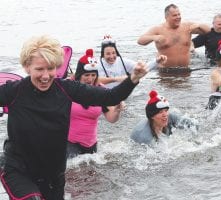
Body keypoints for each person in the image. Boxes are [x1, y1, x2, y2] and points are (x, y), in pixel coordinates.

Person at [0, 35, 148, 200]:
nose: (45, 75)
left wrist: (133, 78)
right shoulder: (14, 92)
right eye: (39, 69)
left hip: (53, 172)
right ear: (27, 67)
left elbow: (111, 97)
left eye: (50, 68)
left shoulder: (66, 89)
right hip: (18, 169)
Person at [67, 49, 125, 158]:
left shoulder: (99, 91)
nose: (90, 79)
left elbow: (111, 119)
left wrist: (117, 110)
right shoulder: (69, 88)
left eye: (93, 75)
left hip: (91, 145)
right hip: (69, 142)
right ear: (79, 75)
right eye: (87, 75)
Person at [137, 4, 210, 74]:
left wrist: (199, 25)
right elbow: (140, 41)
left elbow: (209, 31)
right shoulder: (158, 29)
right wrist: (154, 37)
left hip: (185, 70)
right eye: (175, 15)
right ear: (166, 17)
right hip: (165, 71)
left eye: (179, 14)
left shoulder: (187, 27)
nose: (178, 17)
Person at [130, 90, 198, 145]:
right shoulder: (145, 137)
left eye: (166, 110)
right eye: (160, 112)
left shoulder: (170, 117)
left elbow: (193, 125)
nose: (165, 115)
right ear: (152, 116)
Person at [99, 35, 167, 88]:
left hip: (121, 95)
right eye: (108, 54)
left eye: (113, 53)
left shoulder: (122, 61)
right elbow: (93, 80)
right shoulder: (97, 65)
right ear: (103, 55)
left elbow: (142, 68)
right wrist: (116, 79)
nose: (111, 56)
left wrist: (156, 61)